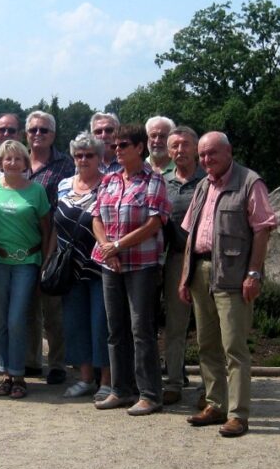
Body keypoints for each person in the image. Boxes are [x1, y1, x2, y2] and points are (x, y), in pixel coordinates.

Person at [178, 131, 277, 438]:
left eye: (213, 154)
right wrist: (185, 277)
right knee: (206, 345)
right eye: (203, 155)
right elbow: (190, 236)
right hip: (201, 273)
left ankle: (238, 414)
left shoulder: (250, 182)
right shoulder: (203, 186)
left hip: (233, 276)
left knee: (234, 347)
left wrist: (254, 274)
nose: (207, 160)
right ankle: (215, 404)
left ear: (229, 152)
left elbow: (263, 229)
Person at [90, 123, 170, 415]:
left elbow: (154, 222)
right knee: (116, 329)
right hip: (110, 263)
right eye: (115, 145)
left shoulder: (154, 180)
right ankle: (121, 389)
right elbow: (96, 217)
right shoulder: (110, 180)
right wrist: (107, 247)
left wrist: (118, 245)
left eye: (123, 145)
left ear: (140, 147)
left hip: (142, 265)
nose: (117, 150)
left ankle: (150, 393)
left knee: (141, 330)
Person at [0, 140, 51, 399]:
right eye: (7, 158)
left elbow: (46, 230)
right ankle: (5, 373)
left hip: (27, 262)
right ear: (0, 162)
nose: (12, 163)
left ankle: (19, 372)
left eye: (17, 158)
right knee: (0, 320)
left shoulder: (37, 191)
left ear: (26, 162)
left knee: (16, 320)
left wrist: (44, 262)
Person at [55, 132, 112, 401]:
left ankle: (106, 381)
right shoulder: (64, 185)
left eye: (89, 155)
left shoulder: (110, 184)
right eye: (79, 155)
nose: (84, 159)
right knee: (75, 322)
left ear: (100, 158)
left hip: (100, 265)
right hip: (70, 265)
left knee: (101, 323)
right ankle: (85, 378)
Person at [24, 110, 74, 384]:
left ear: (53, 134)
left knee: (53, 309)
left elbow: (62, 209)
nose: (38, 135)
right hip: (20, 244)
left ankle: (57, 363)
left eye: (44, 130)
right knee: (28, 307)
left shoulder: (65, 165)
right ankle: (31, 361)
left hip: (53, 243)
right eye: (33, 130)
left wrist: (49, 250)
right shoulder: (17, 161)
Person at [160, 125, 206, 405]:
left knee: (207, 327)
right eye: (175, 146)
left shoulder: (209, 179)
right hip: (175, 259)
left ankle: (209, 388)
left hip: (204, 259)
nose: (180, 150)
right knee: (175, 325)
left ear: (196, 148)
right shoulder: (163, 182)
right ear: (168, 151)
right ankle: (174, 382)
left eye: (185, 145)